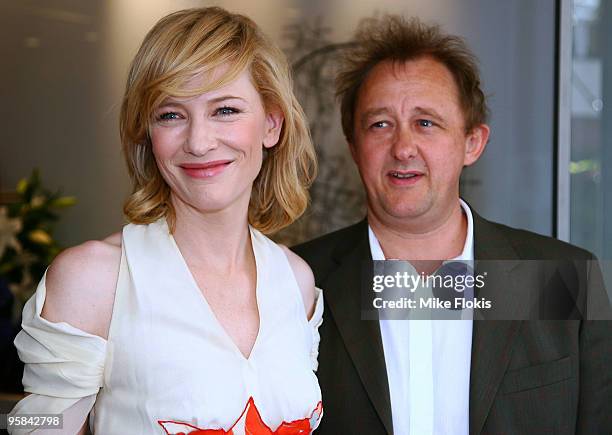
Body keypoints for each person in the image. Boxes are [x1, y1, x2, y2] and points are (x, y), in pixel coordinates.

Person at [10, 7, 323, 434]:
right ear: (148, 134)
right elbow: (35, 424)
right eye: (171, 115)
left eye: (225, 110)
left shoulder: (296, 281)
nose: (198, 141)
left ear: (271, 125)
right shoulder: (95, 279)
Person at [293, 14, 612, 435]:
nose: (403, 147)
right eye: (379, 124)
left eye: (426, 123)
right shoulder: (299, 285)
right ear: (354, 146)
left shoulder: (559, 279)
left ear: (472, 143)